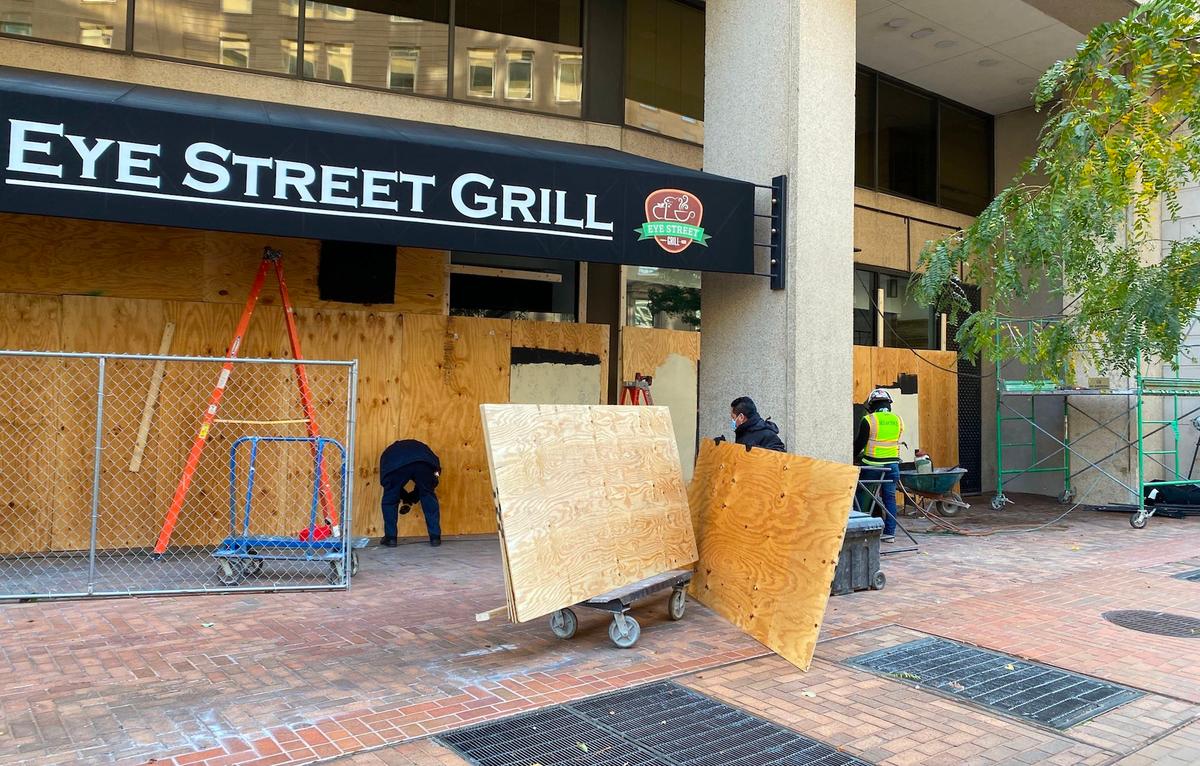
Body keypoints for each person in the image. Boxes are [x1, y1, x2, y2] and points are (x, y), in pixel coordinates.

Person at [854, 389, 904, 542]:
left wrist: (853, 456)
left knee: (861, 495)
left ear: (871, 405)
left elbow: (859, 444)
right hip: (892, 467)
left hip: (872, 466)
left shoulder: (869, 420)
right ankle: (890, 533)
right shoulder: (898, 420)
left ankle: (858, 530)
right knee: (889, 498)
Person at [379, 439, 442, 548]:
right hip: (425, 462)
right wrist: (411, 498)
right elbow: (432, 481)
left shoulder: (388, 453)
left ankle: (390, 538)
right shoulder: (425, 451)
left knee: (390, 499)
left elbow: (389, 484)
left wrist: (408, 498)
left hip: (395, 464)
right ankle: (435, 537)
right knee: (428, 495)